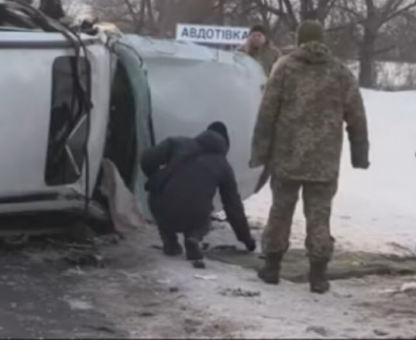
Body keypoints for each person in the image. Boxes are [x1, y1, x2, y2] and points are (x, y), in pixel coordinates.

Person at [250, 20, 369, 294]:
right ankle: (318, 275)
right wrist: (359, 154)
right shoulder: (340, 72)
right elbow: (357, 117)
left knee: (280, 211)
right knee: (319, 215)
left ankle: (271, 267)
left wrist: (259, 152)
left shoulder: (284, 67)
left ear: (300, 39)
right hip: (324, 162)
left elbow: (267, 113)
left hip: (286, 156)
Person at [141, 122, 256, 269]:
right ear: (225, 145)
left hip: (162, 210)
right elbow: (233, 207)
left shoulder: (177, 143)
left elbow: (147, 158)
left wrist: (156, 178)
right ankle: (193, 237)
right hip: (194, 215)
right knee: (204, 214)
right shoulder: (223, 165)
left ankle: (170, 242)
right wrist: (246, 239)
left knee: (161, 198)